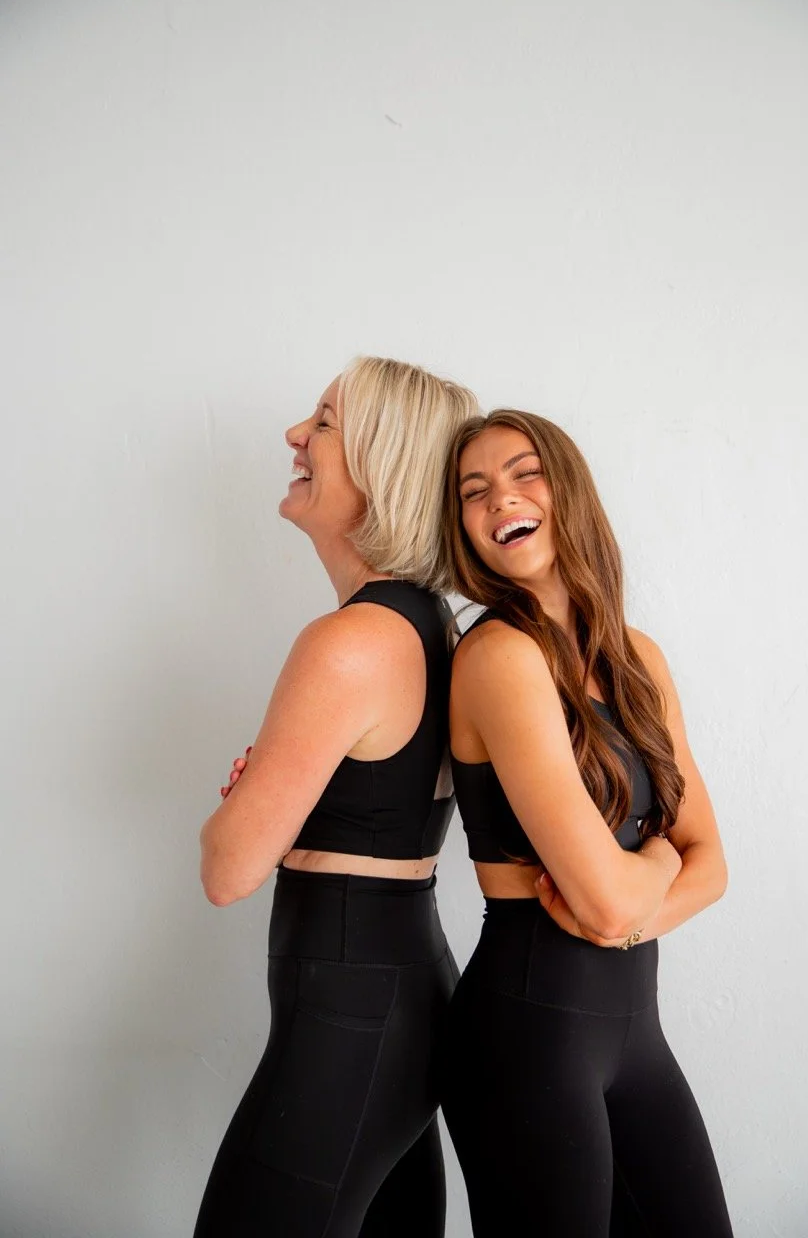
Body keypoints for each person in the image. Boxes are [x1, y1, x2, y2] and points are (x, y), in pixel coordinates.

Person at [193, 357, 478, 1238]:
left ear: (382, 465)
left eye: (322, 423)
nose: (295, 437)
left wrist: (243, 815)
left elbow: (227, 869)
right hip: (399, 996)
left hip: (351, 1019)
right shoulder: (432, 625)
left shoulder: (349, 642)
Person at [437, 409, 733, 1236]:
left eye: (524, 474)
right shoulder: (498, 657)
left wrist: (632, 908)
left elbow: (710, 863)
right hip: (527, 1042)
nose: (501, 499)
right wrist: (652, 875)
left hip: (637, 1038)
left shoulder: (637, 659)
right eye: (474, 490)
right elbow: (626, 889)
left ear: (567, 492)